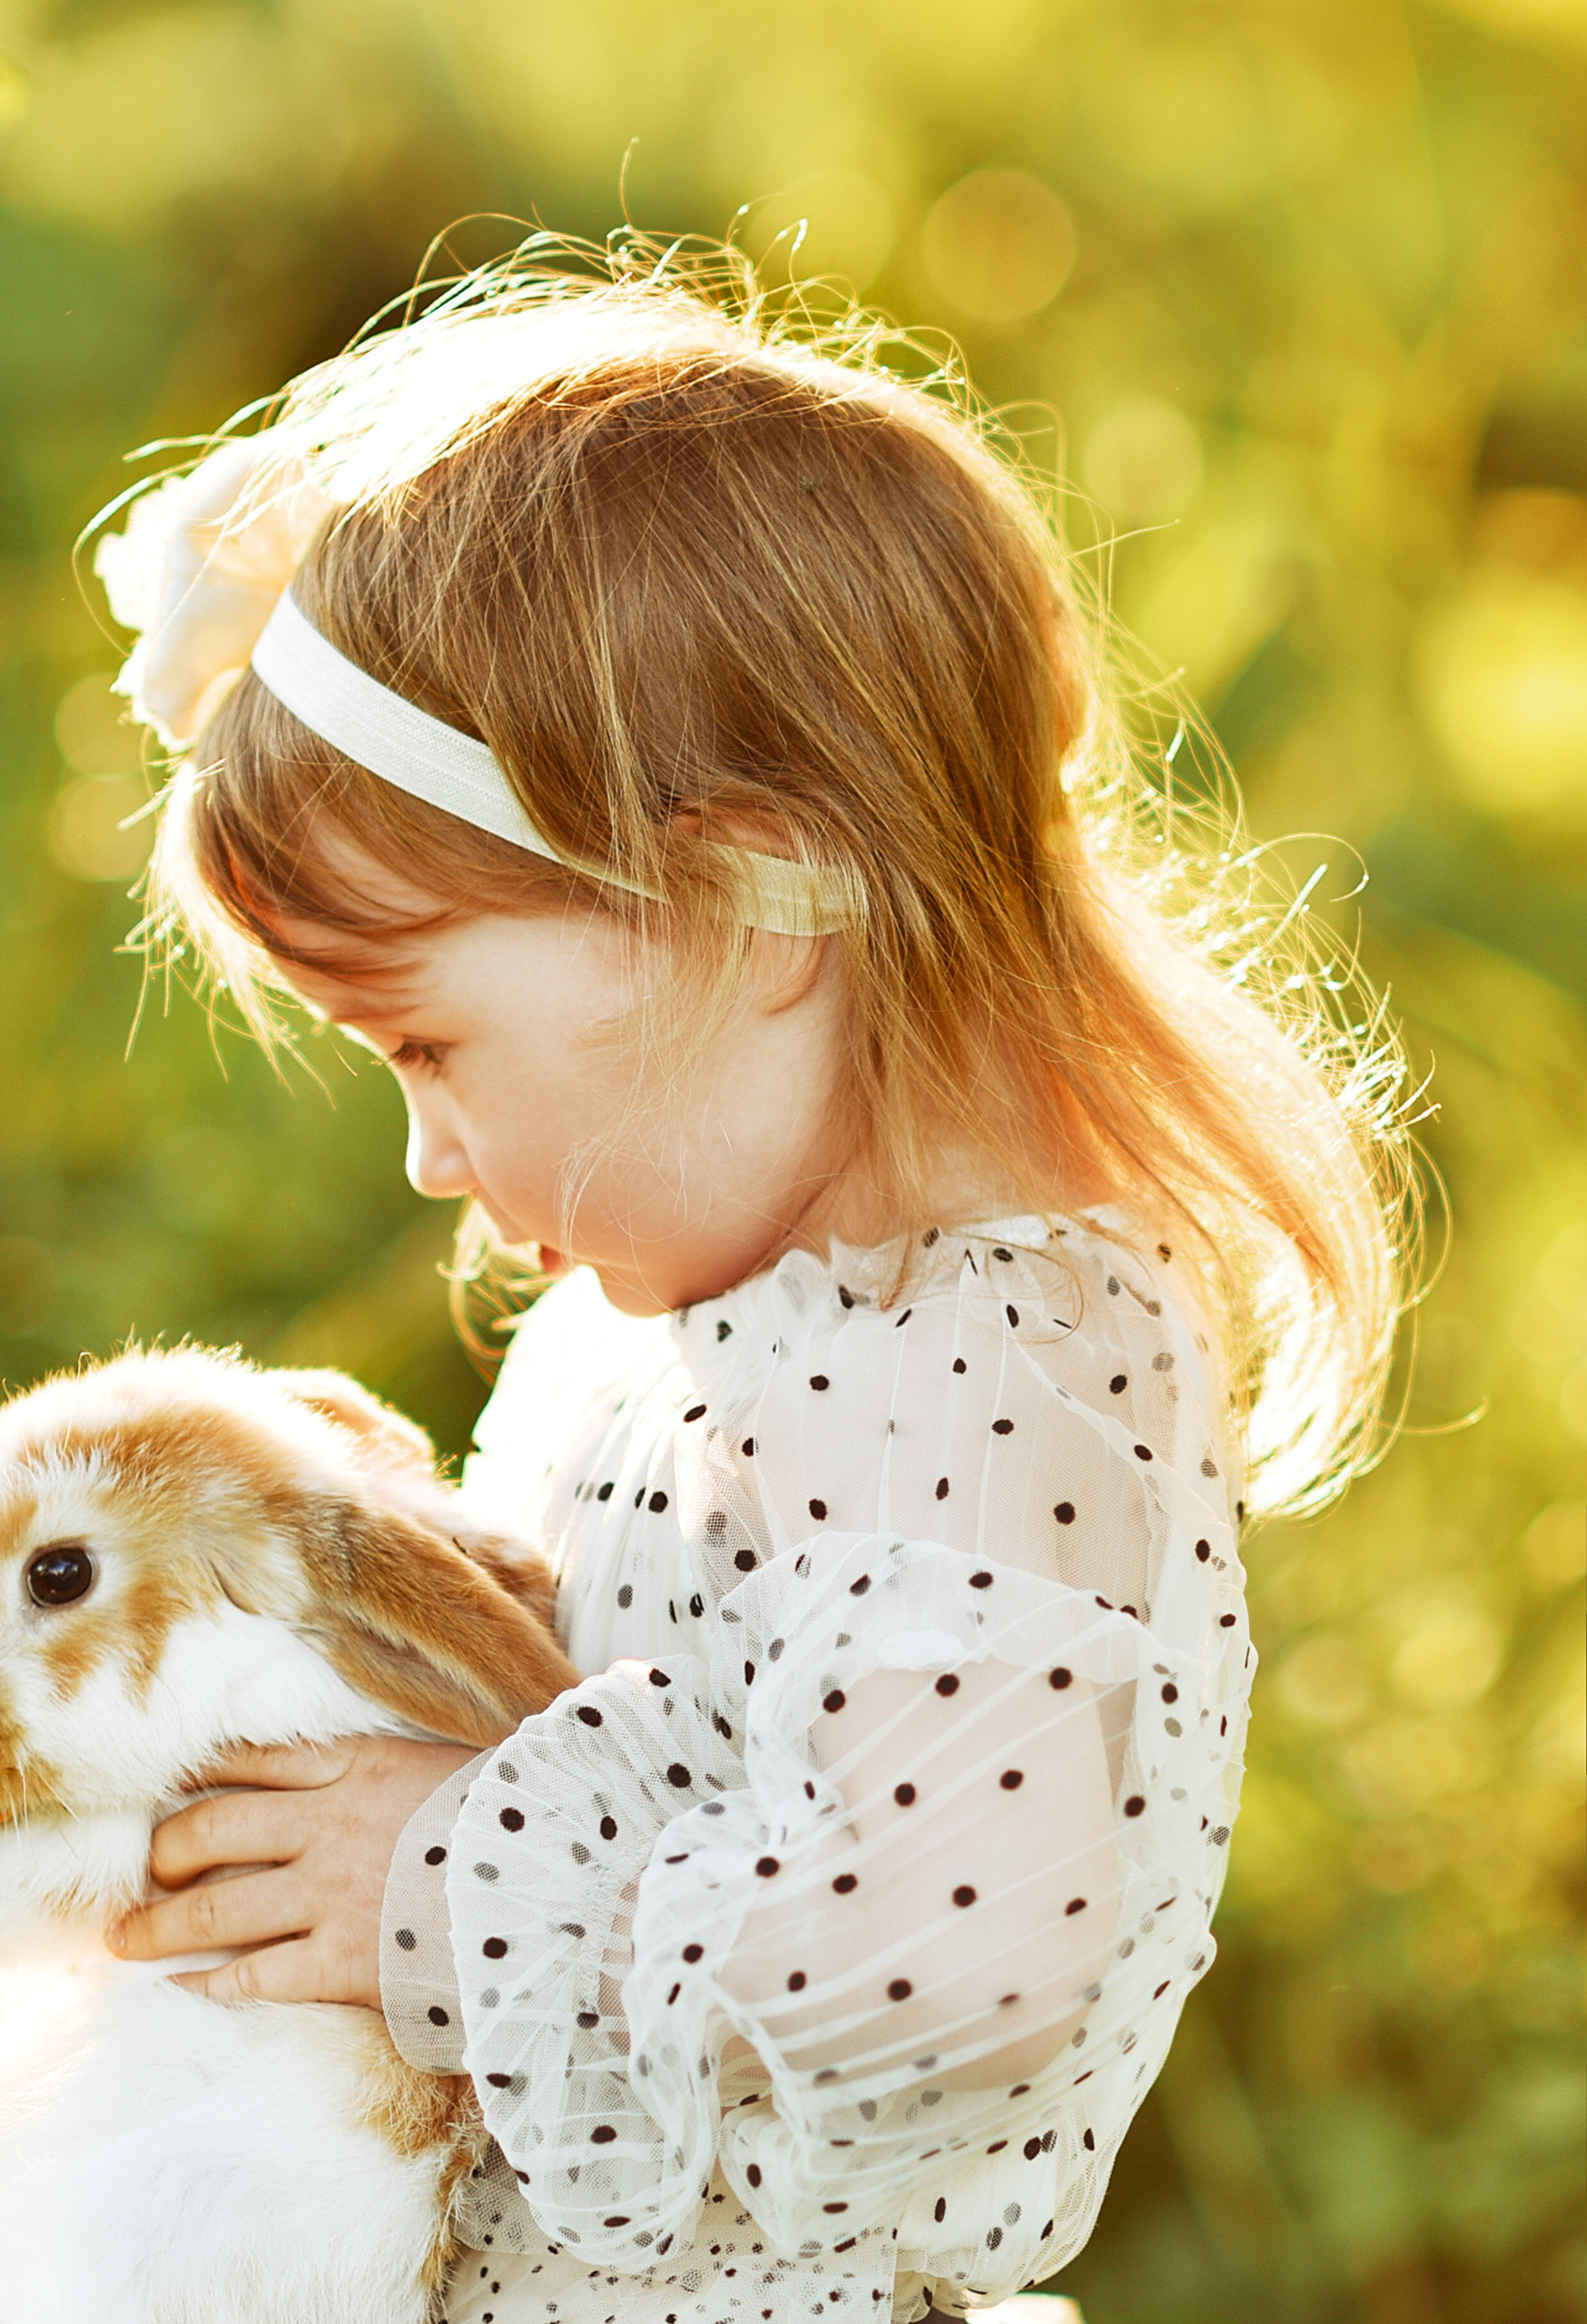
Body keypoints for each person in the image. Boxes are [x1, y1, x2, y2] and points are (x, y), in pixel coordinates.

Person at [93, 247, 1410, 2323]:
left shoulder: (980, 1357)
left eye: (428, 1045)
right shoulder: (729, 1316)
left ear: (736, 907)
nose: (429, 1156)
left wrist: (436, 1884)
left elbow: (951, 1958)